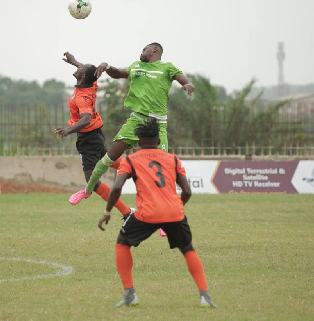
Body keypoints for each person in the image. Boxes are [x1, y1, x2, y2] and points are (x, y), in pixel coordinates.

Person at [97, 118, 217, 308]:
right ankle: (205, 296)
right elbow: (187, 191)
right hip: (174, 212)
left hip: (147, 214)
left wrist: (107, 212)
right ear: (159, 138)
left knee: (122, 243)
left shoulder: (130, 160)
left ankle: (130, 295)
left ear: (138, 141)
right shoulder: (173, 159)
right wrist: (177, 207)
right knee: (188, 249)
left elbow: (117, 187)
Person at [69, 42, 195, 205]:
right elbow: (118, 74)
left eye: (144, 49)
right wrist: (106, 66)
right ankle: (87, 191)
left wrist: (188, 85)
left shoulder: (167, 67)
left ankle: (166, 216)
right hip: (136, 121)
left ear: (155, 50)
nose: (141, 52)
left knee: (163, 169)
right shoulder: (136, 66)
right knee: (108, 159)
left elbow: (184, 80)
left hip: (157, 125)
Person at [55, 52, 132, 217]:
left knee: (93, 182)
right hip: (94, 136)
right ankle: (137, 168)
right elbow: (88, 71)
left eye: (81, 67)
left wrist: (68, 130)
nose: (79, 66)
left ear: (82, 75)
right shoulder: (89, 83)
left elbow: (86, 119)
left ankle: (126, 213)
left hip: (89, 139)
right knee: (109, 162)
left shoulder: (82, 97)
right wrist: (74, 61)